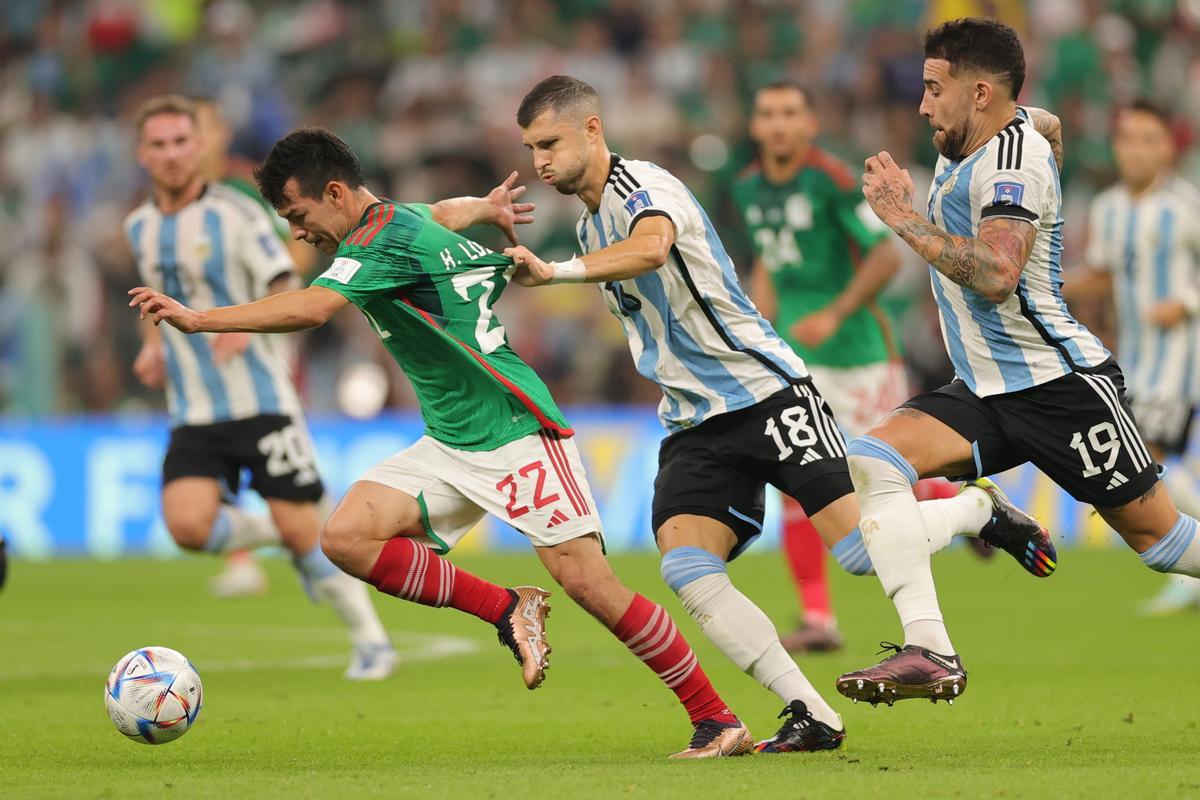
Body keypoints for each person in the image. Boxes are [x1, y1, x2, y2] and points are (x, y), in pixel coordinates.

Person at [129, 127, 755, 760]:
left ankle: (717, 719)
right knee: (345, 537)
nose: (298, 232)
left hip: (515, 431)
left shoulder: (375, 245)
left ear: (337, 194)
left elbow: (314, 308)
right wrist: (483, 209)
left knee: (593, 586)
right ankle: (508, 608)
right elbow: (436, 213)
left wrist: (200, 318)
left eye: (299, 214)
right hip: (451, 441)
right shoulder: (392, 220)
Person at [507, 74, 1051, 752]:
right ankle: (811, 712)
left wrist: (556, 272)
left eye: (550, 143)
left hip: (765, 393)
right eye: (531, 149)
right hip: (693, 420)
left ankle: (977, 510)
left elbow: (651, 248)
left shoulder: (643, 188)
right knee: (685, 566)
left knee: (857, 550)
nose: (540, 163)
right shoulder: (593, 220)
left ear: (593, 130)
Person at [836, 17, 1200, 706]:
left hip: (1059, 387)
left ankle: (978, 515)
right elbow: (1048, 121)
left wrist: (902, 218)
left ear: (978, 93)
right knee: (874, 459)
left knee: (1164, 542)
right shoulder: (980, 133)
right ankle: (932, 649)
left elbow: (999, 273)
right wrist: (1040, 123)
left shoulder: (1010, 162)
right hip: (984, 388)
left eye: (933, 88)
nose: (921, 104)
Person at [124, 95, 394, 680]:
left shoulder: (236, 213)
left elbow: (283, 271)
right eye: (159, 144)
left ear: (199, 147)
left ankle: (372, 641)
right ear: (141, 154)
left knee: (308, 533)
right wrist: (151, 347)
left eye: (181, 141)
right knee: (188, 527)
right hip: (193, 406)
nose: (171, 154)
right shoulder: (138, 226)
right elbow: (153, 290)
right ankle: (285, 533)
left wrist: (245, 328)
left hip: (262, 399)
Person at [735, 79, 971, 654]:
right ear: (755, 127)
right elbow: (770, 259)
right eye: (768, 113)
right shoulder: (747, 188)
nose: (779, 123)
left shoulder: (834, 182)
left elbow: (887, 257)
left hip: (862, 356)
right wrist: (755, 326)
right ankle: (818, 618)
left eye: (790, 111)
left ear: (810, 124)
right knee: (797, 487)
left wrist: (836, 313)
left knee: (875, 485)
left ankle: (970, 506)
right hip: (796, 362)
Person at [1065, 100, 1200, 615]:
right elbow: (1103, 272)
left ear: (1168, 147)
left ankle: (1189, 575)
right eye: (1127, 138)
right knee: (1148, 464)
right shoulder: (1108, 208)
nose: (1136, 149)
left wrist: (1185, 302)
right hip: (1133, 362)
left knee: (1148, 460)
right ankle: (1191, 578)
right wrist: (1046, 286)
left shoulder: (1184, 207)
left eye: (1149, 138)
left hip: (1180, 359)